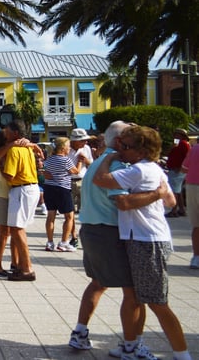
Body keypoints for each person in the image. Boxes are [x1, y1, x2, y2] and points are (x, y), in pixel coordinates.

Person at [93, 125, 191, 360]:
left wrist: (109, 157)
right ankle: (131, 344)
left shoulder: (138, 170)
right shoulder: (153, 169)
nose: (121, 150)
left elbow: (100, 179)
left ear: (141, 150)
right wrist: (153, 195)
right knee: (135, 297)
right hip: (142, 238)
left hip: (147, 240)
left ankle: (182, 354)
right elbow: (168, 199)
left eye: (125, 146)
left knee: (158, 302)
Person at [69, 120, 165, 358]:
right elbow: (121, 200)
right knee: (133, 292)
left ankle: (80, 332)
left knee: (98, 283)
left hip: (91, 228)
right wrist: (157, 194)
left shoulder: (101, 160)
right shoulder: (118, 164)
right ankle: (131, 345)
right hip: (109, 231)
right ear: (123, 142)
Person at [1, 120, 40, 281]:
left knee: (17, 229)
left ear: (15, 133)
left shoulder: (15, 150)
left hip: (21, 189)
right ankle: (22, 265)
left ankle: (27, 267)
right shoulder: (27, 148)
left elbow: (9, 175)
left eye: (8, 131)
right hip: (30, 187)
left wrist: (0, 167)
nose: (5, 133)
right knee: (19, 228)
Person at [43, 137, 82, 252]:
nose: (69, 148)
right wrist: (80, 161)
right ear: (63, 148)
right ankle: (64, 242)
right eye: (68, 146)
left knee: (51, 216)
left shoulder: (49, 160)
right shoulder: (65, 160)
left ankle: (50, 242)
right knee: (69, 217)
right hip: (62, 189)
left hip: (49, 188)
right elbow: (75, 171)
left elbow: (44, 170)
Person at [0, 132, 18, 277]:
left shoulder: (11, 152)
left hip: (11, 194)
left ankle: (15, 262)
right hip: (1, 194)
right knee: (4, 233)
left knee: (15, 231)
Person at [68, 128, 93, 247]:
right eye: (83, 140)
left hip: (83, 180)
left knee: (85, 210)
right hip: (68, 181)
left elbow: (91, 165)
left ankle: (85, 235)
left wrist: (86, 160)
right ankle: (74, 236)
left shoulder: (86, 149)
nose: (85, 143)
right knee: (70, 212)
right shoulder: (66, 149)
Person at [165, 128, 190, 217]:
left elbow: (187, 156)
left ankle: (174, 210)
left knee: (174, 191)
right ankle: (181, 209)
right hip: (174, 169)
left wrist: (180, 167)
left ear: (181, 135)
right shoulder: (177, 144)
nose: (175, 135)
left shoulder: (183, 144)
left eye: (177, 134)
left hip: (177, 169)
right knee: (178, 191)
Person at [182, 139, 199, 269]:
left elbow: (184, 168)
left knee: (196, 224)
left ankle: (196, 257)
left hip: (192, 185)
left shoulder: (194, 148)